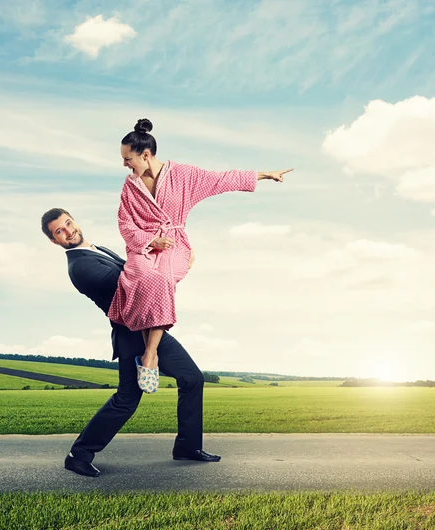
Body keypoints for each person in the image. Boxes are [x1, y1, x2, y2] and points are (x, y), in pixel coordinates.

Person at [41, 207, 221, 477]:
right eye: (59, 231)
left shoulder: (96, 249)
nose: (68, 231)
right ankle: (78, 455)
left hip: (151, 327)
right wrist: (173, 265)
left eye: (68, 223)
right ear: (54, 241)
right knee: (127, 399)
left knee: (192, 378)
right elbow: (139, 286)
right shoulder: (82, 266)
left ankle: (188, 447)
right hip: (132, 334)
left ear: (74, 219)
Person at [108, 118, 293, 379]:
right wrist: (151, 241)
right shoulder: (130, 187)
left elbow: (220, 180)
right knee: (139, 277)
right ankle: (147, 348)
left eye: (127, 159)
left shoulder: (183, 176)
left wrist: (263, 175)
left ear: (145, 155)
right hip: (143, 247)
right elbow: (125, 224)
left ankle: (150, 353)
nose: (124, 165)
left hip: (174, 244)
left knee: (161, 279)